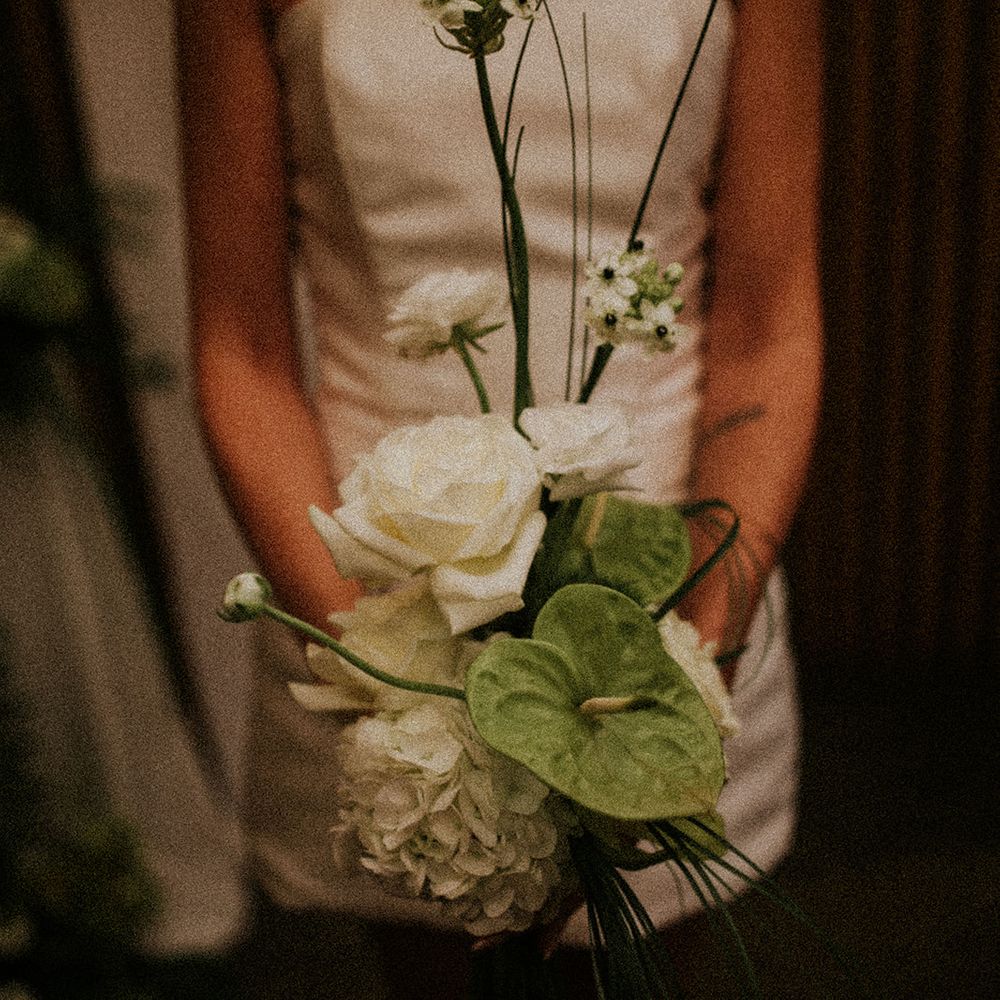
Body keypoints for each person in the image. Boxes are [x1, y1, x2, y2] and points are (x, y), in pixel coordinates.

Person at [176, 0, 822, 996]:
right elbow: (244, 348)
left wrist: (691, 667)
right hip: (370, 583)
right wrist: (397, 694)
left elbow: (767, 325)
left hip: (674, 572)